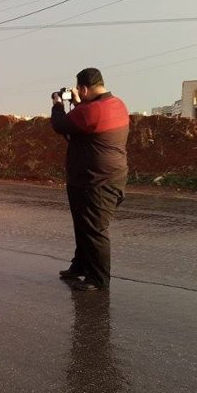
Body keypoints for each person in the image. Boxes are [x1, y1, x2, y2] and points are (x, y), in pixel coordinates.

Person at [50, 68, 129, 291]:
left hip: (96, 182)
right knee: (83, 225)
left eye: (79, 90)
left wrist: (58, 104)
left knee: (94, 231)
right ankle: (80, 266)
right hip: (99, 179)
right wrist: (79, 104)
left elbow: (60, 125)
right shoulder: (116, 104)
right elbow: (85, 124)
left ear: (84, 89)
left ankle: (98, 280)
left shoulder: (91, 111)